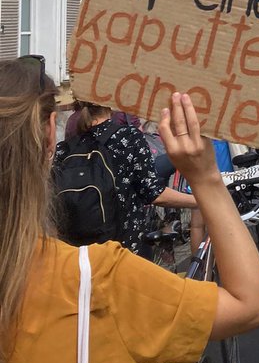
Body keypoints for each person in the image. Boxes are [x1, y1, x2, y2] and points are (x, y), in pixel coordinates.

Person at [0, 61, 259, 363]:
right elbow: (254, 305)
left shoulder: (68, 148)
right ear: (45, 135)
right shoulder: (104, 279)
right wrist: (206, 181)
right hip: (117, 259)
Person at [54, 101, 198, 256]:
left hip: (81, 254)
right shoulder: (128, 137)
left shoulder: (64, 148)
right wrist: (199, 201)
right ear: (110, 104)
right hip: (125, 249)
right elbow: (154, 193)